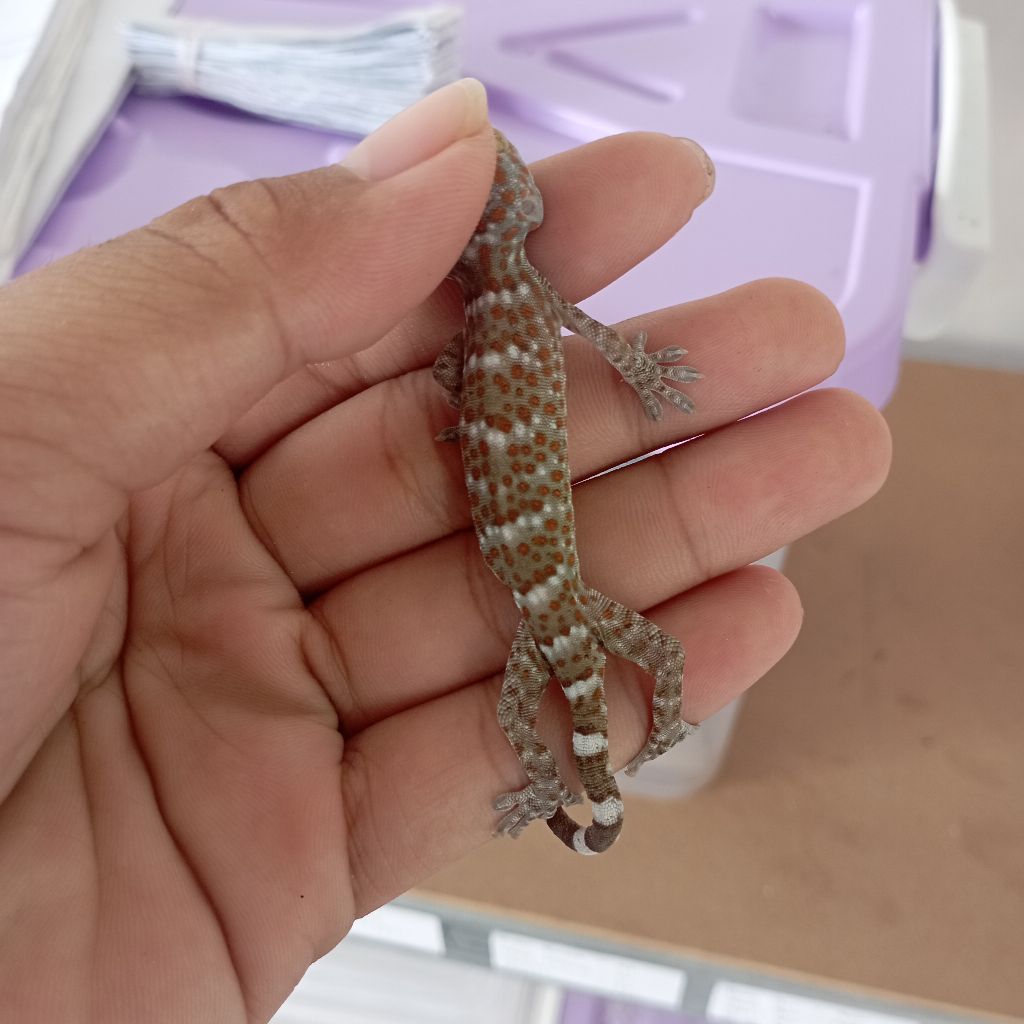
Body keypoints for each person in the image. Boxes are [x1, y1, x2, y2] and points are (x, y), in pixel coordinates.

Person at [0, 79, 890, 1021]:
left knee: (642, 669)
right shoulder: (517, 305)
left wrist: (589, 759)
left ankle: (595, 780)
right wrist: (619, 375)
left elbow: (555, 349)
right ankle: (598, 778)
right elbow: (587, 335)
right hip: (524, 548)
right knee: (644, 669)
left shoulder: (485, 311)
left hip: (525, 543)